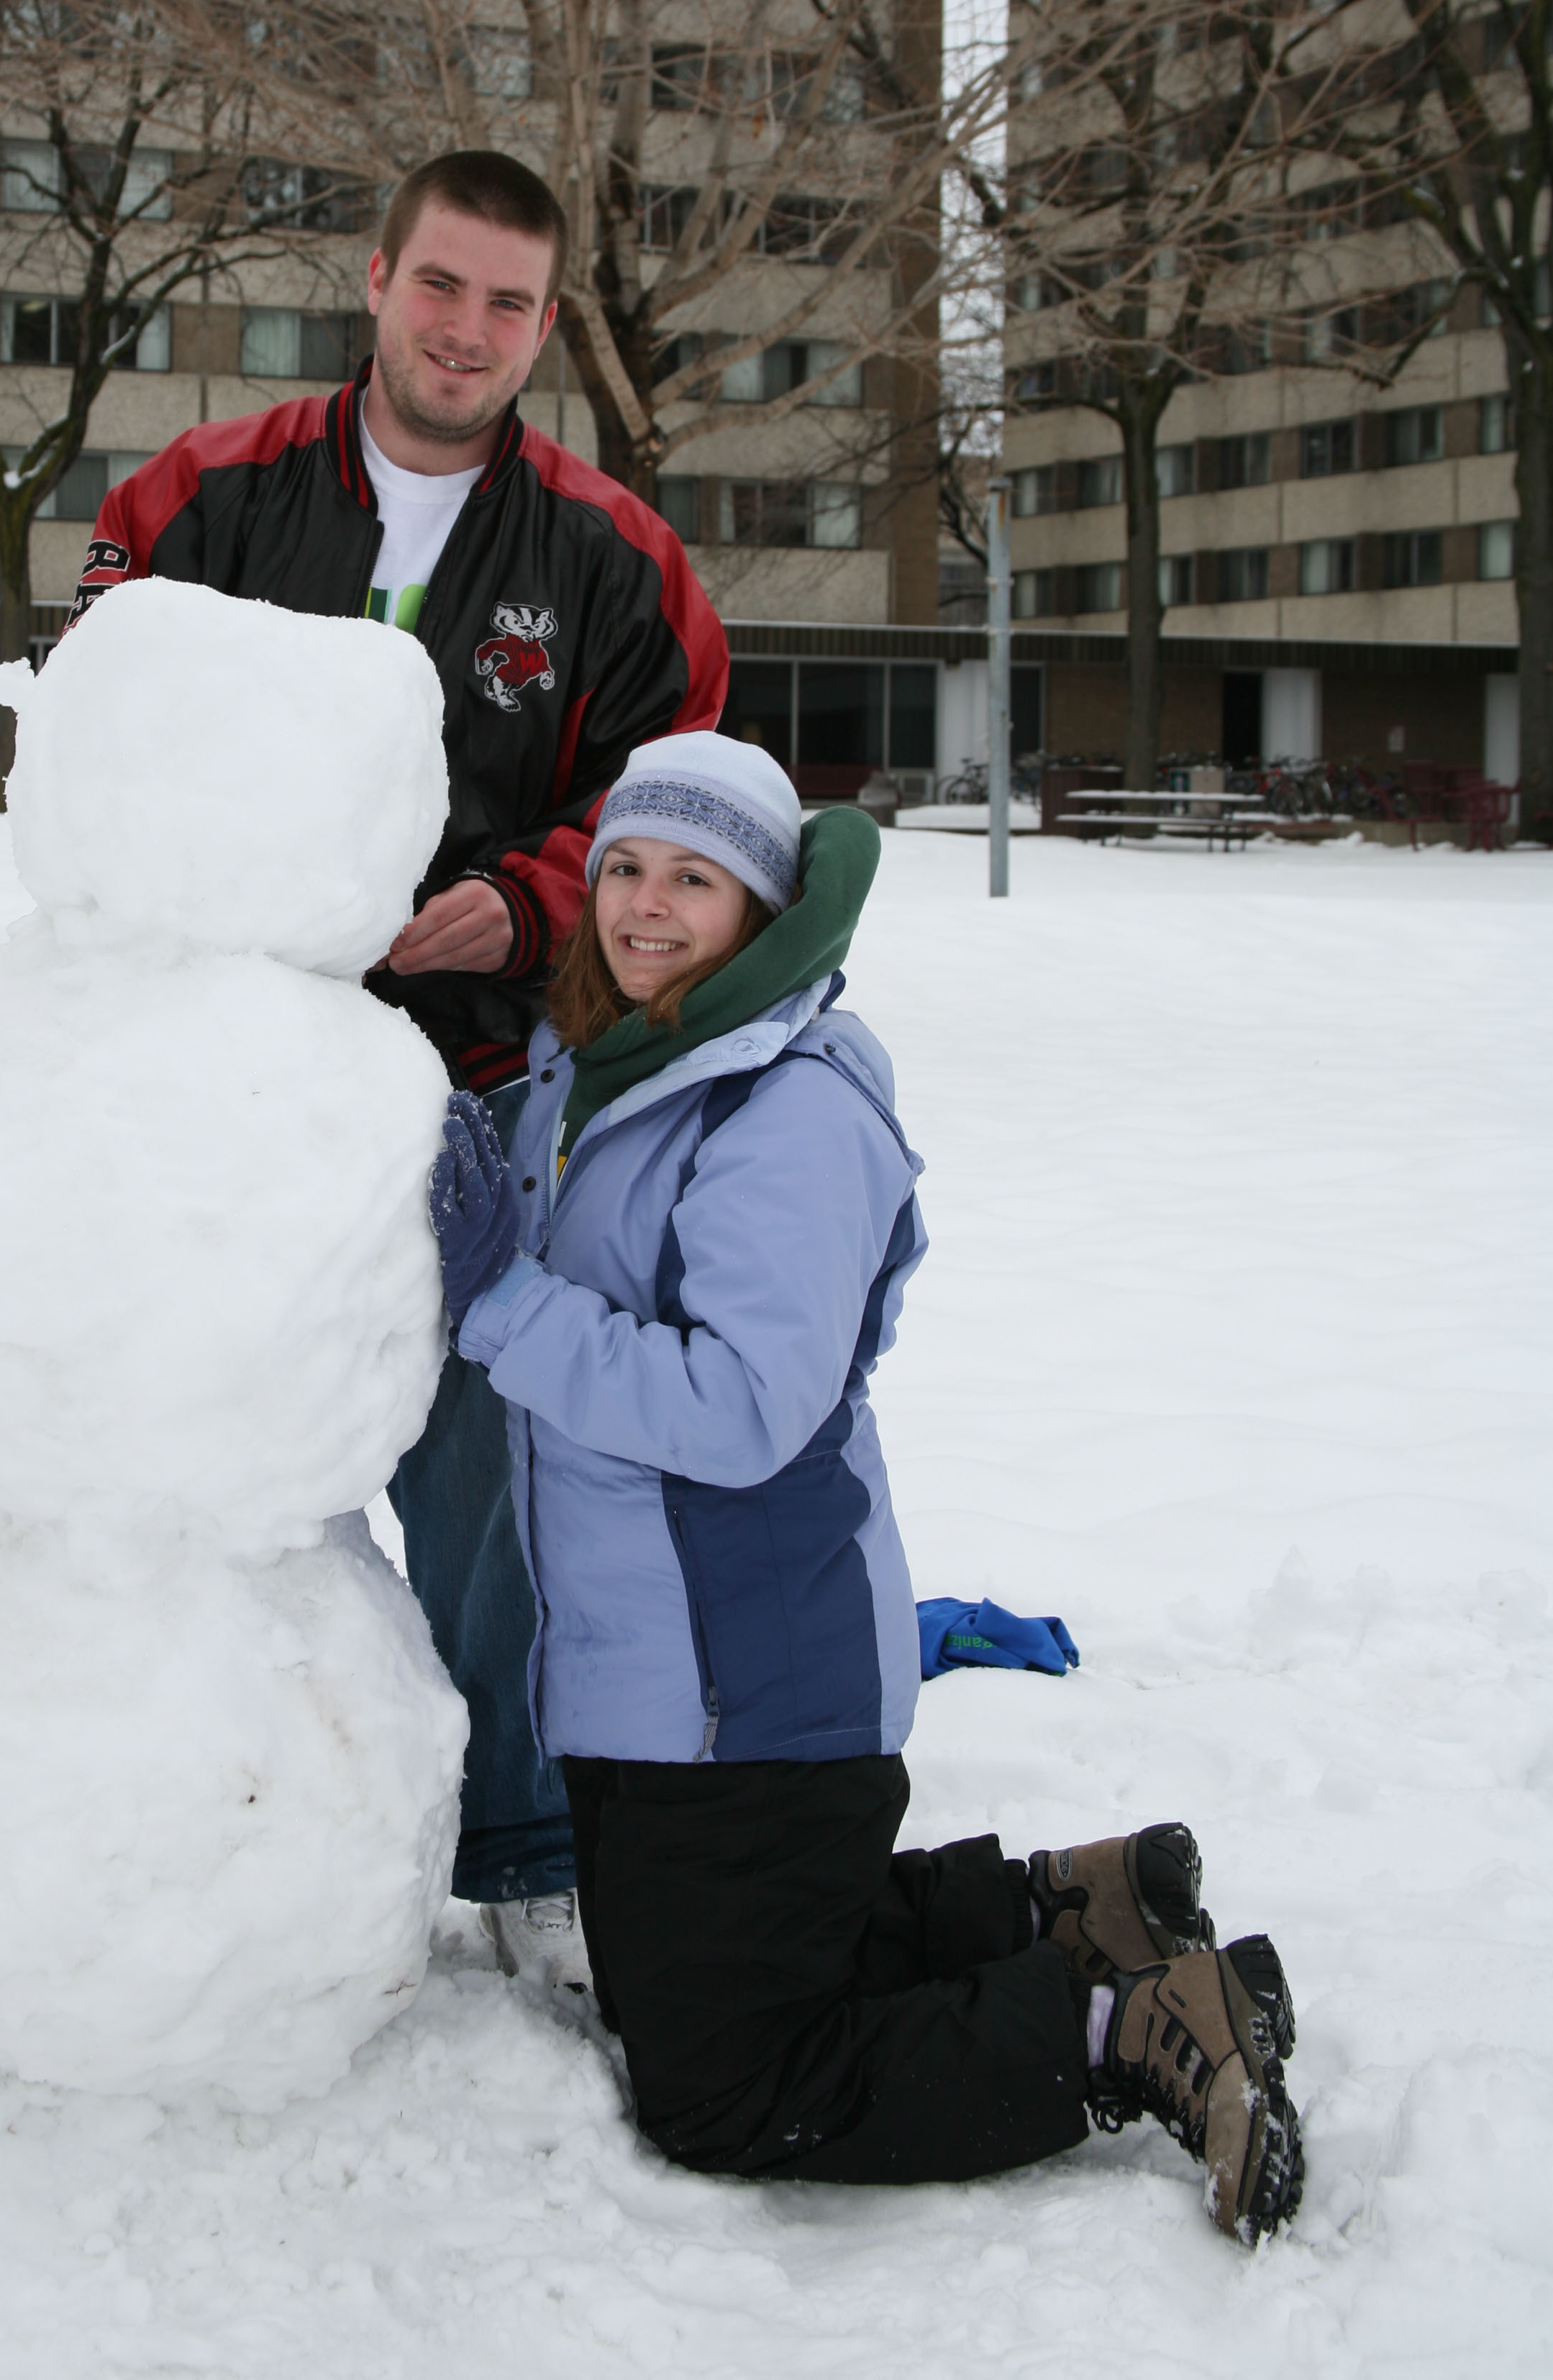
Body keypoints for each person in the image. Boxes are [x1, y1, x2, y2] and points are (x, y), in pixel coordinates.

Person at [426, 732, 1305, 2243]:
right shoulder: (604, 1061)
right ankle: (1072, 1905)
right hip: (644, 1674)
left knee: (728, 2090)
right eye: (625, 869)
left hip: (746, 1677)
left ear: (762, 908)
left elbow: (741, 1410)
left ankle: (1141, 2024)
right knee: (675, 1985)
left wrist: (498, 1301)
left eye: (692, 880)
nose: (644, 907)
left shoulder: (785, 1112)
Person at [69, 150, 729, 1979]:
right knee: (191, 1446)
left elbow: (663, 821)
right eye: (441, 286)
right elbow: (87, 742)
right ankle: (183, 1812)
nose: (468, 330)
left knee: (475, 1466)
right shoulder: (195, 498)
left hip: (472, 1090)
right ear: (375, 279)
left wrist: (520, 913)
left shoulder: (618, 560)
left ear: (544, 326)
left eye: (509, 303)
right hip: (215, 1084)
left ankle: (515, 1847)